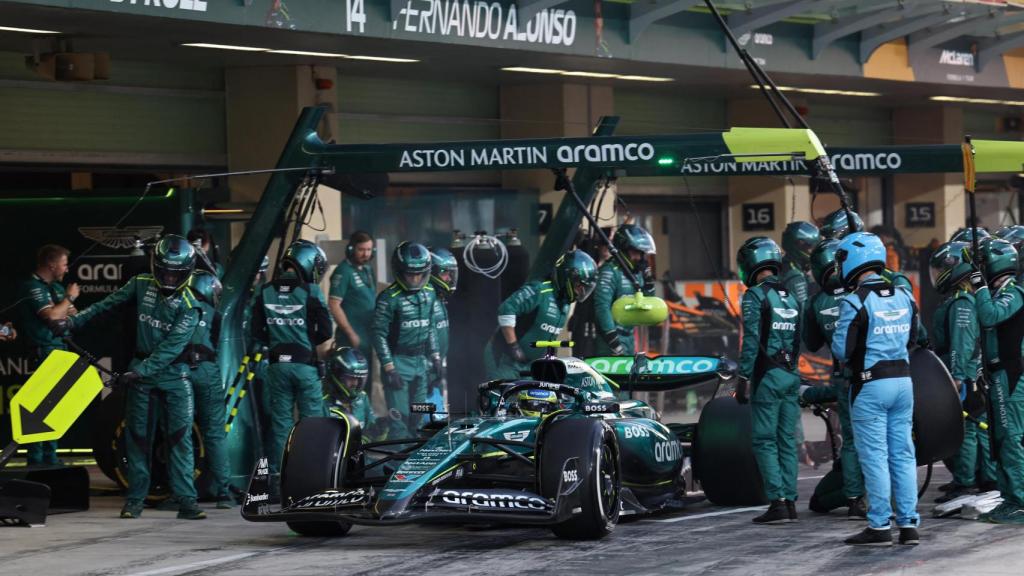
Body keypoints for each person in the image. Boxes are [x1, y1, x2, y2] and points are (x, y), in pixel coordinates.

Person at [54, 235, 204, 520]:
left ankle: (186, 501)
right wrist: (72, 322)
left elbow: (171, 348)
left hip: (173, 376)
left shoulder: (190, 305)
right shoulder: (141, 283)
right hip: (141, 372)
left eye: (176, 272)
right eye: (165, 270)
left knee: (179, 438)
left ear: (187, 272)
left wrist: (139, 371)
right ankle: (135, 499)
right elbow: (105, 304)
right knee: (137, 438)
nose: (169, 277)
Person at [832, 231, 920, 546]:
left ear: (852, 261)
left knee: (875, 457)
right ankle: (909, 525)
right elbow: (914, 338)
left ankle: (880, 526)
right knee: (903, 455)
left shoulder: (854, 301)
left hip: (870, 386)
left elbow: (842, 350)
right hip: (904, 382)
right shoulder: (906, 296)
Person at [734, 236, 802, 525]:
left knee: (764, 441)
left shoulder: (755, 296)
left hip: (767, 377)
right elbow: (798, 342)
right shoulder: (792, 296)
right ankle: (791, 501)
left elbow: (751, 341)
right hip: (791, 375)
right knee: (787, 440)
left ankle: (778, 503)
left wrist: (742, 378)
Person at [252, 240, 332, 477]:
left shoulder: (265, 291)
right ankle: (312, 479)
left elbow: (256, 331)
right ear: (307, 263)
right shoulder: (311, 291)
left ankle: (280, 479)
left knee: (280, 425)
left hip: (276, 367)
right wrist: (307, 339)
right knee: (312, 424)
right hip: (305, 367)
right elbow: (326, 331)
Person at [800, 238, 866, 519]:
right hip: (880, 375)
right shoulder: (866, 291)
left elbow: (811, 343)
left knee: (851, 441)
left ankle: (854, 499)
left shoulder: (817, 302)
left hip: (844, 377)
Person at [929, 242, 996, 502]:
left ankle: (965, 483)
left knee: (968, 430)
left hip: (963, 375)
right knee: (979, 428)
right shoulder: (964, 299)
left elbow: (961, 343)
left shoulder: (961, 302)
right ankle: (987, 479)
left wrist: (956, 376)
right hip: (970, 373)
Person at [971, 238, 1024, 523]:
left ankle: (1021, 501)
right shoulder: (997, 292)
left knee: (1012, 439)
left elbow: (989, 315)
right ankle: (1009, 498)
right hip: (996, 374)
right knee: (1000, 439)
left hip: (1011, 377)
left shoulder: (1013, 293)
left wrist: (979, 288)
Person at [484, 250, 598, 381]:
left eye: (584, 289)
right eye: (579, 286)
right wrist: (513, 346)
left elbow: (550, 335)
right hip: (505, 358)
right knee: (499, 397)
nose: (580, 292)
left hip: (530, 366)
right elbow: (506, 309)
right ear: (567, 277)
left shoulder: (565, 305)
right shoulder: (539, 290)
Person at [18, 244, 79, 466]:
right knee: (39, 408)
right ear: (52, 265)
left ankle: (50, 458)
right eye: (64, 264)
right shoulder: (32, 286)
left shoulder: (57, 288)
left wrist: (66, 305)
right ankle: (36, 460)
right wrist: (69, 299)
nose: (66, 269)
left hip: (61, 350)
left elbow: (71, 315)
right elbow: (52, 315)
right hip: (43, 352)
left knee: (55, 408)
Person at [372, 242, 440, 439]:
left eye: (420, 274)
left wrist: (435, 357)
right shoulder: (388, 298)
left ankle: (418, 463)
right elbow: (378, 334)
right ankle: (397, 465)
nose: (415, 278)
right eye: (411, 274)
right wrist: (389, 367)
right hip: (398, 362)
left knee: (420, 417)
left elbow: (431, 327)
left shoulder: (430, 292)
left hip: (422, 363)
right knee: (399, 420)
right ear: (399, 271)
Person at [186, 270, 233, 508]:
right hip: (207, 370)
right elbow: (215, 344)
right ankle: (223, 492)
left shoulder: (178, 307)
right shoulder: (216, 315)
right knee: (214, 432)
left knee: (181, 433)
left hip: (180, 371)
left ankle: (183, 494)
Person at [781, 221, 821, 467]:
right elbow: (803, 312)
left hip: (780, 342)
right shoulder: (795, 276)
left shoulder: (782, 267)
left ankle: (796, 446)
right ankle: (798, 447)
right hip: (790, 344)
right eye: (808, 246)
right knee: (790, 395)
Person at [592, 224, 656, 356]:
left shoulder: (637, 273)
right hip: (609, 340)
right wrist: (614, 341)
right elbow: (602, 307)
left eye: (641, 253)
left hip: (630, 336)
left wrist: (649, 281)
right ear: (623, 250)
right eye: (635, 252)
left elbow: (648, 303)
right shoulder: (609, 271)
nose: (638, 257)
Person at [328, 231, 377, 398]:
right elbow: (334, 305)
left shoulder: (368, 270)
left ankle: (365, 421)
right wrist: (351, 334)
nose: (366, 254)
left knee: (366, 387)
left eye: (369, 249)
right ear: (351, 249)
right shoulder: (343, 272)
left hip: (367, 339)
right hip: (350, 342)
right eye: (361, 249)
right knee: (347, 387)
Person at [324, 346, 385, 440]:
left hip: (361, 453)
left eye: (359, 379)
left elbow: (375, 438)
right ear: (337, 374)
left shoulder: (363, 398)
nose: (355, 383)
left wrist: (381, 431)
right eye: (351, 378)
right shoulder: (323, 403)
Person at [428, 248, 458, 411]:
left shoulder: (439, 298)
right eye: (445, 273)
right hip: (427, 373)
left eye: (451, 273)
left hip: (437, 372)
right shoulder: (428, 300)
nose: (449, 278)